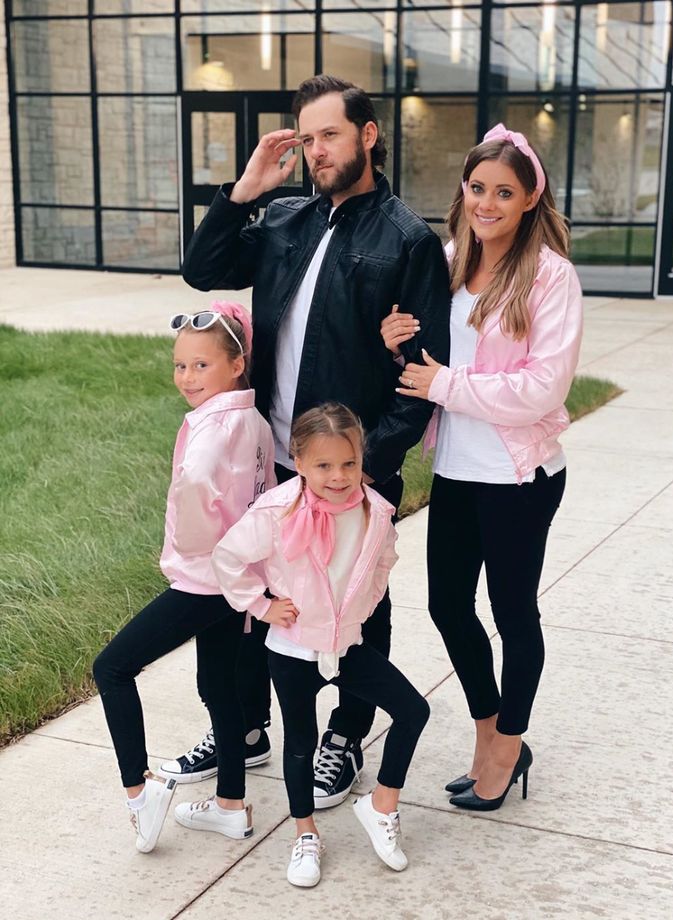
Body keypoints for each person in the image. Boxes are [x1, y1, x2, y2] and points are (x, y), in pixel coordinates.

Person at [180, 74, 450, 807]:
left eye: (330, 135)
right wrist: (245, 190)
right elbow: (203, 270)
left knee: (356, 604)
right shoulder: (285, 218)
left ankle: (344, 737)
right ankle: (247, 728)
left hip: (346, 473)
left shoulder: (408, 241)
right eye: (307, 140)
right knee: (258, 597)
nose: (316, 152)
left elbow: (425, 377)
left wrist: (363, 470)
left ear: (368, 135)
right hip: (269, 464)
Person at [381, 124, 583, 811]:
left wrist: (441, 385)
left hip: (520, 476)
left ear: (531, 198)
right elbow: (423, 358)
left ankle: (506, 745)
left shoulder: (551, 277)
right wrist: (396, 340)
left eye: (504, 191)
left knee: (512, 614)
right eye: (477, 189)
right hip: (459, 469)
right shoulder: (447, 261)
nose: (487, 203)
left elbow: (540, 390)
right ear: (462, 192)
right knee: (445, 605)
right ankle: (490, 731)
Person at [211, 403, 430, 887]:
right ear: (300, 461)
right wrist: (261, 605)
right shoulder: (276, 511)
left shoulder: (374, 511)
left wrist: (361, 609)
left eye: (349, 463)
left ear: (361, 458)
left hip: (347, 645)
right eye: (324, 465)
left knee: (413, 711)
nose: (339, 476)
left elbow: (383, 561)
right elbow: (227, 556)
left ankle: (381, 806)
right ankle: (304, 833)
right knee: (301, 744)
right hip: (292, 649)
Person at [93, 302, 276, 853]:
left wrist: (195, 549)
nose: (187, 378)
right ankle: (229, 806)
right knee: (217, 684)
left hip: (205, 578)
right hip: (236, 577)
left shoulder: (213, 428)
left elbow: (196, 483)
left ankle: (138, 794)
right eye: (180, 366)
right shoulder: (254, 419)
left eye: (201, 366)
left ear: (237, 364)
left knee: (113, 667)